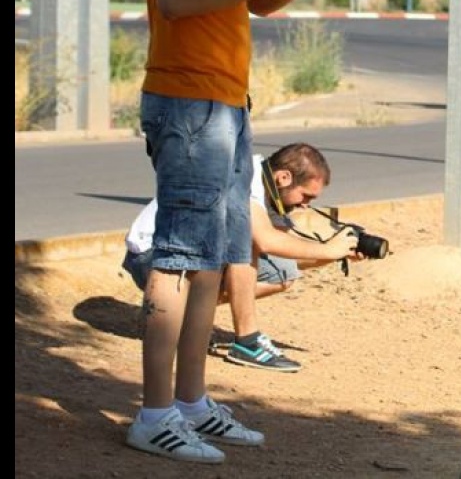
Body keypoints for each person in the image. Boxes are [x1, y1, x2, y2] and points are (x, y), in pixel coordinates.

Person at [127, 0, 330, 464]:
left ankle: (189, 402)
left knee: (212, 257)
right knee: (178, 258)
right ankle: (154, 411)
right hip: (189, 104)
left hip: (223, 105)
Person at [123, 143, 363, 373]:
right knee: (245, 239)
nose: (306, 206)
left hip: (187, 256)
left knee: (283, 272)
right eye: (306, 196)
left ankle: (173, 314)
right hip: (153, 257)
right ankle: (247, 342)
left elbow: (290, 255)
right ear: (284, 178)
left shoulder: (268, 190)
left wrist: (338, 252)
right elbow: (265, 241)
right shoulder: (243, 177)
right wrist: (328, 249)